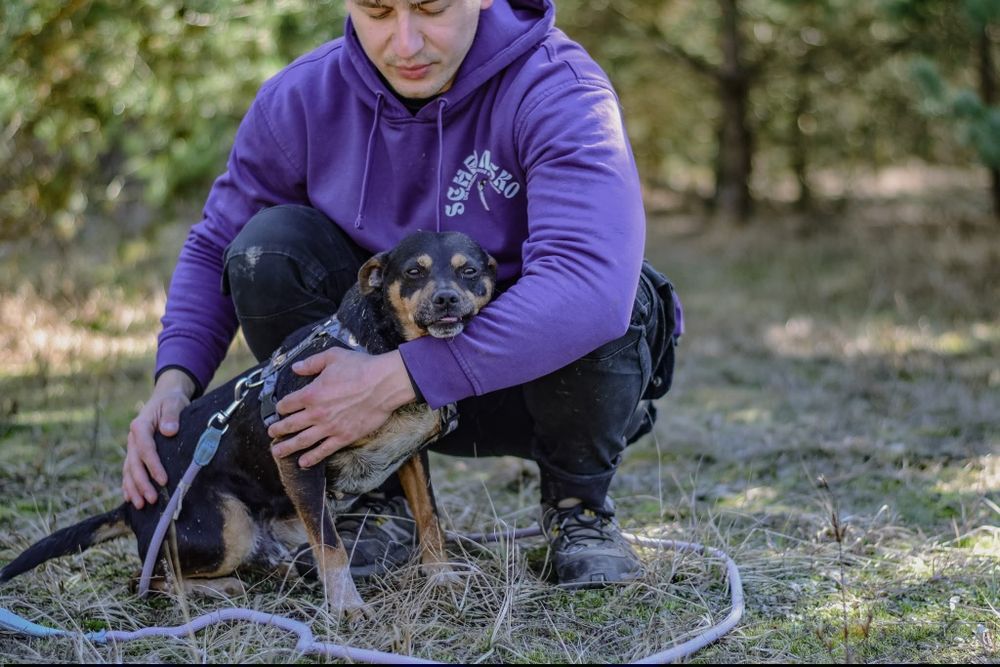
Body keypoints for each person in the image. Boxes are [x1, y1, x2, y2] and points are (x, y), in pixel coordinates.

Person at [122, 0, 682, 589]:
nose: (405, 43)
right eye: (378, 10)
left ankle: (579, 508)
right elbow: (217, 243)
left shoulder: (559, 87)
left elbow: (589, 283)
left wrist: (396, 377)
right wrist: (173, 385)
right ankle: (375, 501)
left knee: (626, 294)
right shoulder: (301, 98)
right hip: (366, 405)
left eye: (431, 7)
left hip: (533, 389)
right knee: (269, 246)